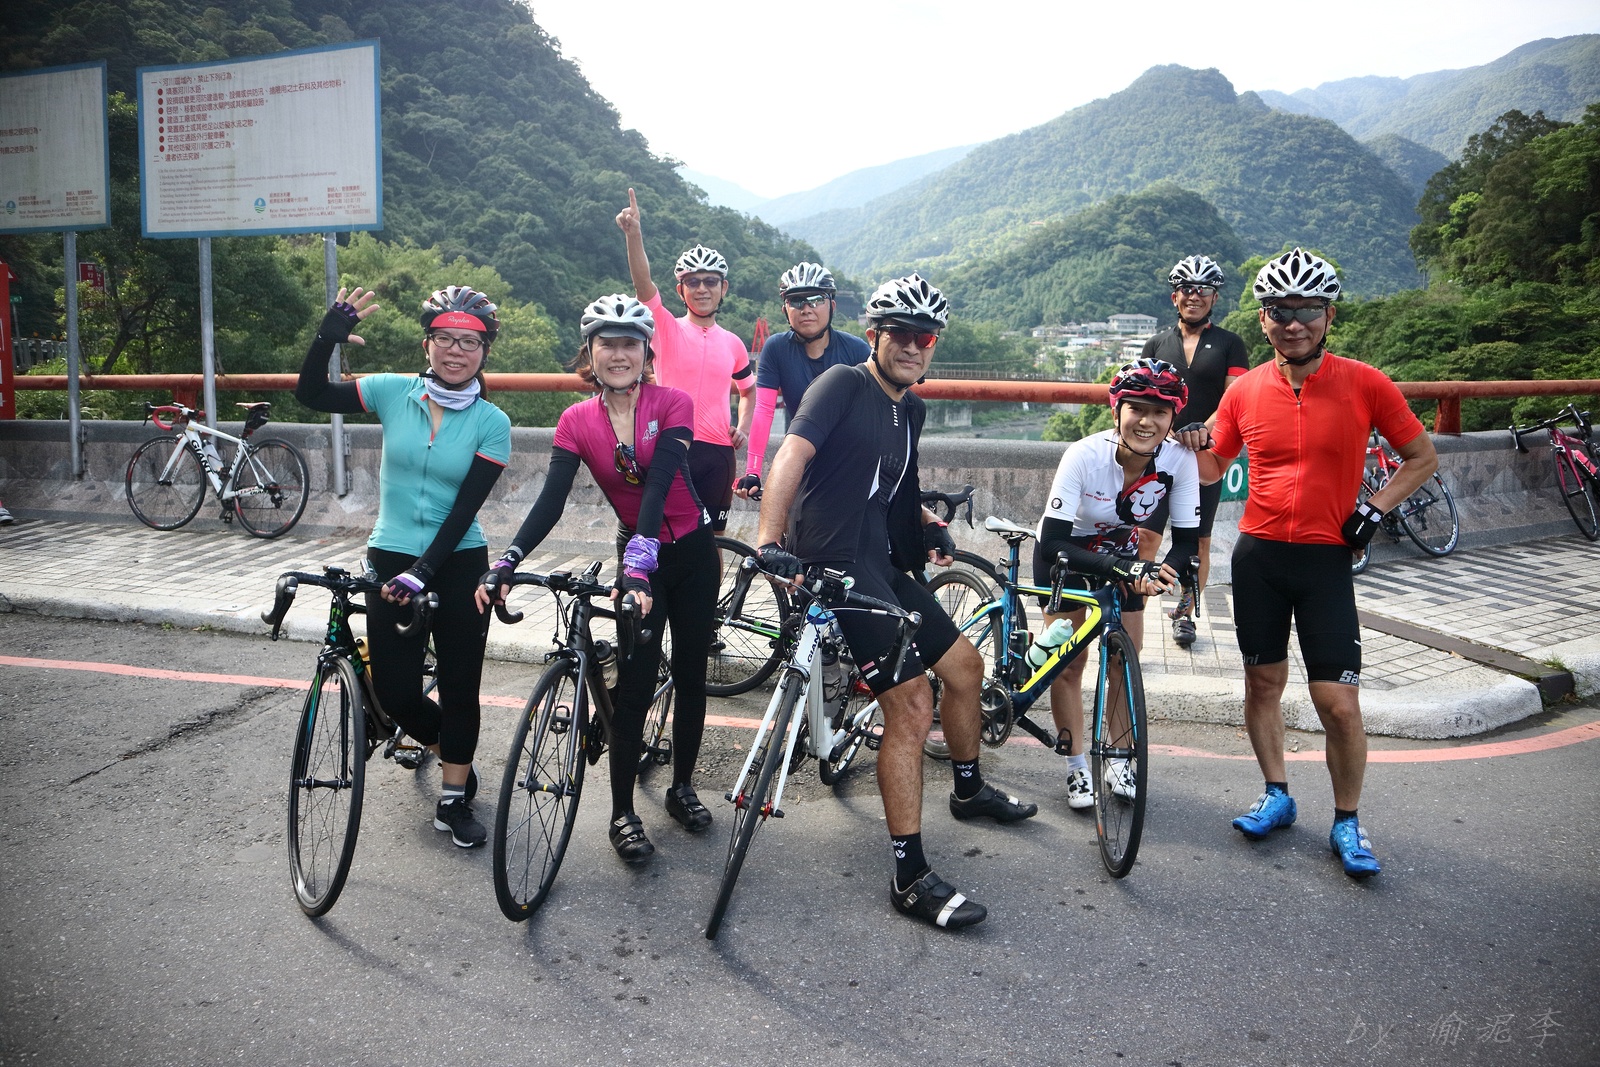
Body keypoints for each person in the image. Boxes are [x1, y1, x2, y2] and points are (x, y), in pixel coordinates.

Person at [755, 273, 1037, 931]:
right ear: (874, 335)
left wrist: (929, 528)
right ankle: (909, 877)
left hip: (880, 559)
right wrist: (768, 539)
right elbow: (790, 456)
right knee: (910, 704)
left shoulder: (910, 409)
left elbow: (893, 488)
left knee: (965, 667)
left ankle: (967, 789)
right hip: (833, 560)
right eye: (901, 333)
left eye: (925, 337)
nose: (913, 345)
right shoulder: (842, 384)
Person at [1192, 248, 1439, 879]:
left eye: (1307, 310)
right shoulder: (1244, 391)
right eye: (1280, 311)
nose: (1294, 322)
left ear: (1329, 316)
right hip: (1259, 558)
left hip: (1326, 560)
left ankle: (1347, 820)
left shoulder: (1366, 382)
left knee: (1338, 703)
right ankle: (1277, 794)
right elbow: (1213, 468)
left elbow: (1422, 457)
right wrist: (1181, 440)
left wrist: (1373, 511)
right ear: (1264, 319)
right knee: (1261, 685)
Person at [478, 294, 718, 865]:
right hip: (635, 554)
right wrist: (508, 558)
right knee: (634, 683)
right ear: (590, 352)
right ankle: (621, 814)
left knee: (690, 675)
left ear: (647, 353)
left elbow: (659, 484)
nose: (618, 354)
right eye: (607, 343)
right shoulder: (576, 421)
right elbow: (550, 501)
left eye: (630, 343)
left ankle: (682, 787)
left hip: (690, 553)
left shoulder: (673, 403)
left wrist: (639, 564)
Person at [296, 285, 512, 849]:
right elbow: (312, 394)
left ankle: (454, 796)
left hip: (459, 560)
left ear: (484, 352)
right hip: (391, 554)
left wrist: (425, 570)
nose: (456, 350)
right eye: (445, 338)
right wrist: (326, 338)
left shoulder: (493, 422)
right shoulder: (393, 391)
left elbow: (465, 508)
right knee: (395, 692)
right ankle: (453, 749)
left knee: (461, 686)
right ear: (427, 344)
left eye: (469, 341)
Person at [1036, 358, 1200, 810]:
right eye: (1137, 409)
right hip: (1069, 552)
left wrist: (1160, 571)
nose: (1147, 421)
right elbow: (1051, 543)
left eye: (1160, 412)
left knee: (1122, 662)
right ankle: (1076, 766)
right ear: (1117, 411)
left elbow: (1187, 543)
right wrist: (1123, 569)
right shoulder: (1084, 455)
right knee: (1069, 664)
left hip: (1124, 554)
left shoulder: (1180, 460)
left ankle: (1120, 759)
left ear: (1173, 418)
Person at [616, 188, 754, 531]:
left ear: (724, 288)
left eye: (710, 281)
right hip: (672, 446)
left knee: (714, 539)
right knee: (665, 534)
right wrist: (634, 236)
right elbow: (643, 284)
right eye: (693, 282)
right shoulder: (666, 328)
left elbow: (749, 389)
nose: (702, 288)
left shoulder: (734, 343)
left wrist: (743, 427)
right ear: (681, 290)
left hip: (719, 455)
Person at [1136, 255, 1250, 649]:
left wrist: (1202, 429)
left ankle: (1185, 615)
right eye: (1187, 289)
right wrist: (1162, 432)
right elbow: (1142, 396)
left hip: (1204, 457)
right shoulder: (1156, 344)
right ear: (1175, 297)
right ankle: (1133, 610)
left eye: (1203, 289)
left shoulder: (1230, 344)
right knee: (1146, 537)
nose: (1194, 295)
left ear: (1214, 297)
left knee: (1199, 543)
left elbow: (1234, 397)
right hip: (1158, 456)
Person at [734, 261, 870, 499]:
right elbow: (764, 410)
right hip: (802, 458)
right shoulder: (776, 349)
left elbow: (877, 414)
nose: (806, 309)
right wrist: (753, 471)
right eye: (796, 301)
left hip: (850, 463)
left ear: (832, 306)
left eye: (816, 299)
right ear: (785, 310)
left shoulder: (857, 350)